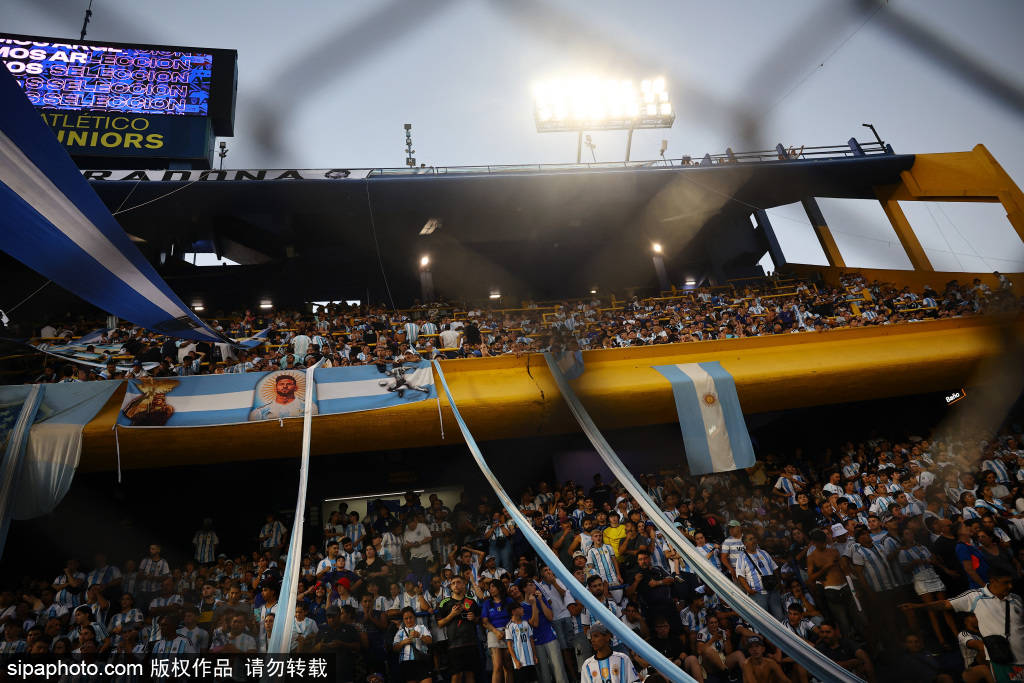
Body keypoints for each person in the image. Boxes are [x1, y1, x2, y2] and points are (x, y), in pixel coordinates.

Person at [901, 569, 1024, 666]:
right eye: (1005, 582)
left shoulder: (1016, 598)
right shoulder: (975, 596)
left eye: (1011, 582)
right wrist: (917, 606)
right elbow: (944, 604)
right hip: (1002, 662)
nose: (1010, 586)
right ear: (993, 581)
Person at [436, 576, 481, 683]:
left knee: (470, 675)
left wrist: (474, 618)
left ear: (464, 584)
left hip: (471, 643)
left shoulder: (471, 601)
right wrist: (452, 614)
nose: (456, 585)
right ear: (450, 587)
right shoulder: (444, 602)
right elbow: (439, 623)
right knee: (456, 676)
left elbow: (479, 620)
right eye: (453, 583)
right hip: (454, 645)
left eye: (458, 582)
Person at [394, 606, 433, 683]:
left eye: (410, 617)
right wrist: (402, 643)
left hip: (421, 661)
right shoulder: (400, 632)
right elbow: (394, 649)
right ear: (403, 620)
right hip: (407, 663)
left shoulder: (422, 627)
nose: (409, 620)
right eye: (406, 618)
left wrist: (420, 636)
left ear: (414, 617)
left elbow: (430, 641)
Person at [505, 601, 539, 683]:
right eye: (520, 608)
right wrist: (515, 660)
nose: (522, 609)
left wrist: (534, 655)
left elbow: (531, 640)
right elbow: (509, 646)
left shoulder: (526, 623)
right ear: (513, 611)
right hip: (520, 662)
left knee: (534, 680)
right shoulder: (509, 626)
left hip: (530, 660)